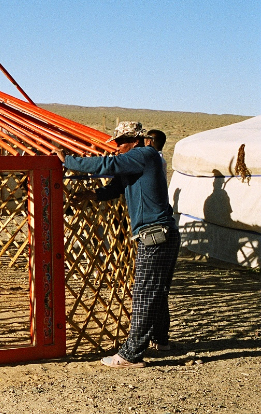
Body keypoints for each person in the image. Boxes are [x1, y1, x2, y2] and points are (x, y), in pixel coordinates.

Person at [55, 121, 180, 368]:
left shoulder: (142, 154)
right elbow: (117, 186)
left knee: (144, 293)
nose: (118, 147)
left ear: (135, 139)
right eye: (117, 143)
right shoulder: (140, 161)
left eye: (122, 142)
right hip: (164, 234)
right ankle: (161, 340)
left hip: (154, 235)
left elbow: (108, 165)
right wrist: (92, 195)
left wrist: (68, 161)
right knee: (157, 291)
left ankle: (131, 355)